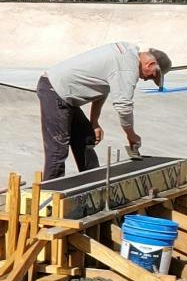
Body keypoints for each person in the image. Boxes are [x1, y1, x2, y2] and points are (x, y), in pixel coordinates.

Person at [37, 42, 171, 179]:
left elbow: (102, 88)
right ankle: (50, 194)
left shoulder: (127, 54)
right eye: (153, 75)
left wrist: (94, 122)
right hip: (55, 91)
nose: (147, 79)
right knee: (58, 150)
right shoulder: (127, 67)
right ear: (150, 64)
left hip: (62, 93)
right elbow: (124, 106)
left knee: (85, 137)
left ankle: (93, 183)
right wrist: (131, 135)